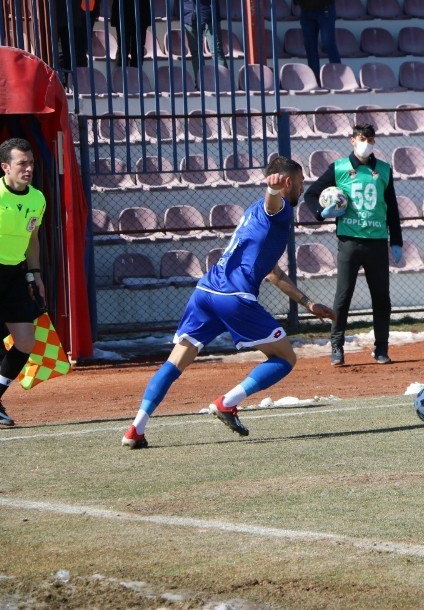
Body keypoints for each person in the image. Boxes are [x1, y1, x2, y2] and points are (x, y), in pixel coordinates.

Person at [121, 156, 335, 449]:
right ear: (288, 182)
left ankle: (136, 428)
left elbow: (272, 273)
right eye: (299, 183)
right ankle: (227, 402)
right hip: (235, 297)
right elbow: (275, 204)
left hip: (206, 292)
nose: (302, 187)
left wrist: (308, 303)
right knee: (286, 358)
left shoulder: (252, 212)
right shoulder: (280, 209)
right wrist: (272, 191)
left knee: (175, 362)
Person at [303, 124, 403, 366]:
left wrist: (396, 240)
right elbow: (310, 194)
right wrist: (321, 212)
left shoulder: (384, 170)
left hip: (377, 243)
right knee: (343, 296)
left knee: (381, 297)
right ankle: (336, 347)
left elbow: (392, 208)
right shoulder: (339, 168)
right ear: (352, 140)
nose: (366, 143)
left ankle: (381, 348)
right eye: (361, 138)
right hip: (349, 241)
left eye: (370, 139)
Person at [0, 139, 48, 427]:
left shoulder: (37, 199)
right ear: (6, 167)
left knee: (26, 342)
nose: (28, 168)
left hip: (16, 275)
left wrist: (36, 275)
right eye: (22, 163)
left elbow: (32, 240)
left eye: (30, 163)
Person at [169, 0, 227, 84]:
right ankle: (201, 83)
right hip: (189, 14)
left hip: (208, 12)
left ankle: (224, 82)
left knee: (217, 51)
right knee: (196, 53)